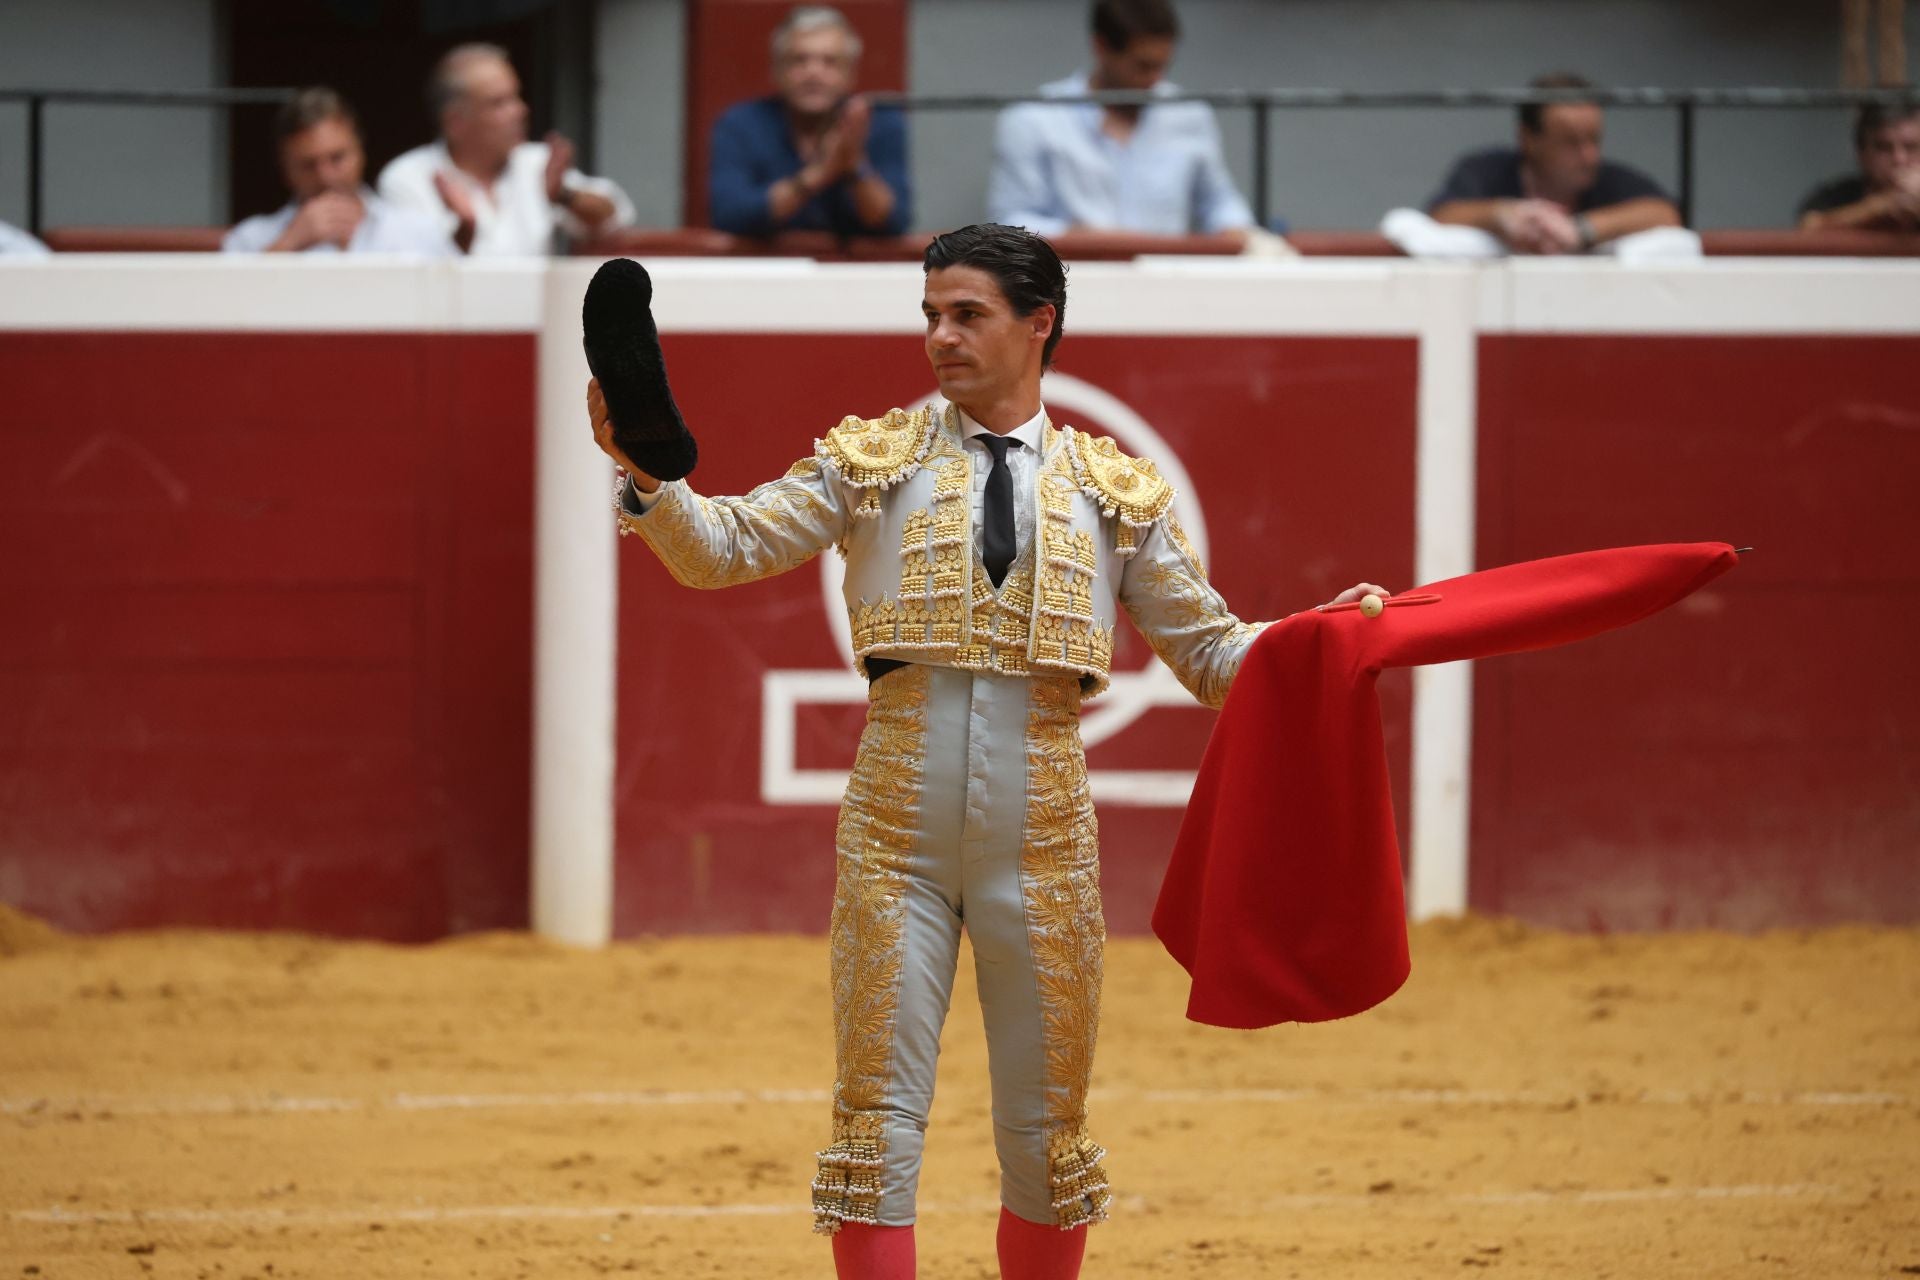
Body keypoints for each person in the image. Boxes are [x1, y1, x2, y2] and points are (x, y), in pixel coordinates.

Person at [588, 223, 1386, 1280]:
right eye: (929, 315)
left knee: (1048, 1136)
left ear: (1037, 321)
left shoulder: (1116, 493)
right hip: (894, 838)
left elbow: (1210, 653)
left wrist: (1319, 638)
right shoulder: (869, 461)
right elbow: (722, 549)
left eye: (966, 314)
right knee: (873, 1128)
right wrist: (649, 477)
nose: (940, 338)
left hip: (1047, 841)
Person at [987, 0, 1255, 244]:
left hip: (1167, 280)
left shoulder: (1189, 113)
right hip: (1070, 278)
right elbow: (1010, 222)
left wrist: (1234, 229)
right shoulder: (1034, 118)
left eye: (1163, 66)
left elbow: (1220, 202)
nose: (1155, 80)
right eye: (1143, 66)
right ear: (1101, 47)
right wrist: (1088, 239)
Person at [378, 44, 634, 256]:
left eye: (517, 97)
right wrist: (464, 231)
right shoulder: (407, 177)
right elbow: (415, 274)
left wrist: (564, 196)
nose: (520, 111)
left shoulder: (536, 163)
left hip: (537, 318)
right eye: (499, 103)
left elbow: (616, 218)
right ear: (455, 122)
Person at [708, 5, 910, 238]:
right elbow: (730, 216)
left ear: (851, 74)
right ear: (776, 71)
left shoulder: (881, 123)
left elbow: (895, 222)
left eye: (830, 62)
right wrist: (818, 174)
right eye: (798, 60)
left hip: (855, 271)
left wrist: (854, 165)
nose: (813, 72)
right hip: (765, 270)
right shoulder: (739, 124)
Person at [1427, 72, 1682, 253]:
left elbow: (1665, 214)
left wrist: (1581, 230)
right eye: (1571, 142)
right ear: (1528, 139)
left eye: (1594, 140)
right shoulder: (1485, 170)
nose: (1589, 156)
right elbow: (1442, 214)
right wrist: (1502, 215)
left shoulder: (1608, 177)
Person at [223, 88, 453, 256]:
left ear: (361, 153)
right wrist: (286, 246)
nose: (326, 176)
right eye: (308, 164)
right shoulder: (250, 239)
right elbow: (226, 310)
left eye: (337, 158)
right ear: (285, 170)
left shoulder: (418, 230)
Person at [1798, 104, 1920, 231]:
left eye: (1911, 147)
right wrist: (1879, 207)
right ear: (1862, 154)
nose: (1899, 159)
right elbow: (1808, 227)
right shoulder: (1837, 195)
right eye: (1884, 148)